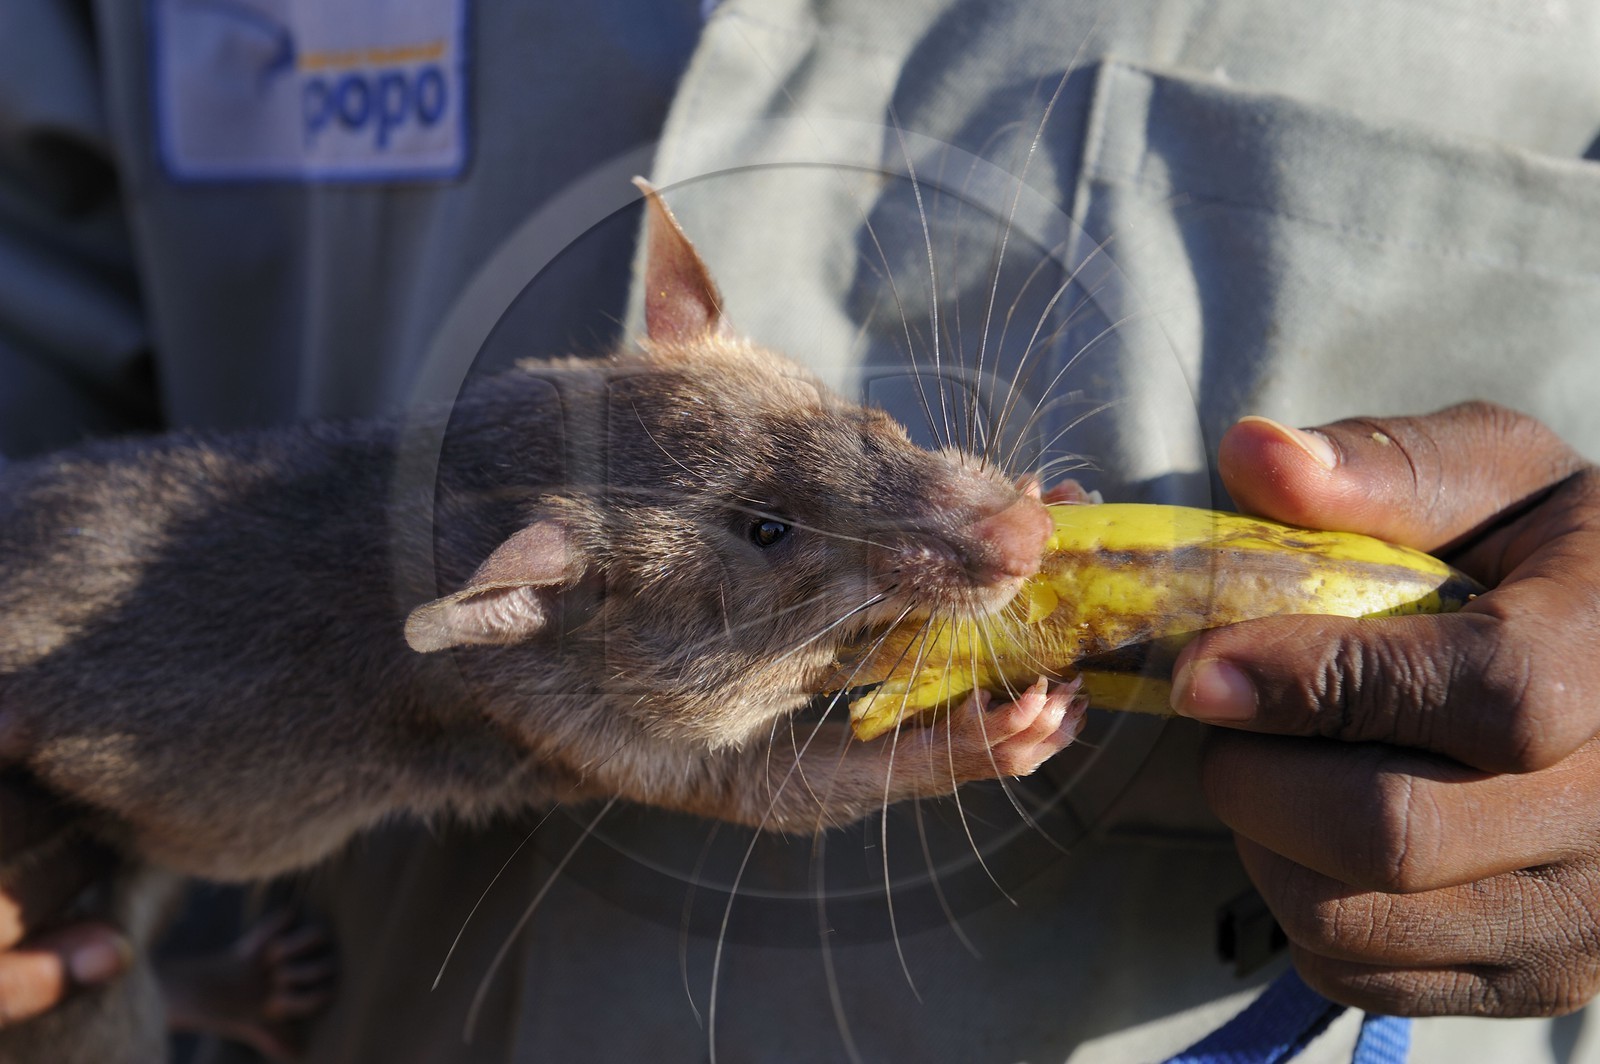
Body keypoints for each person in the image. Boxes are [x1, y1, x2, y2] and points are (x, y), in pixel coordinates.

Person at [4, 1, 1600, 1061]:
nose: (997, 537)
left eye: (883, 442)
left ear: (689, 312)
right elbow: (716, 763)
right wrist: (920, 756)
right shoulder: (527, 642)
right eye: (770, 529)